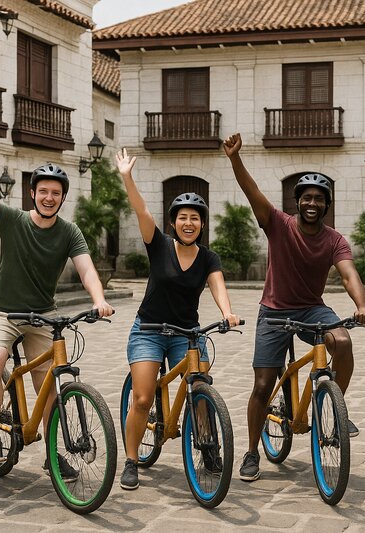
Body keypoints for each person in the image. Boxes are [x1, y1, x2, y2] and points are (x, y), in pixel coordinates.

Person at [0, 127, 114, 479]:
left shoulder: (69, 232)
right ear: (32, 193)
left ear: (62, 198)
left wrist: (99, 300)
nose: (49, 197)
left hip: (43, 315)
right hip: (2, 311)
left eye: (56, 193)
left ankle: (52, 453)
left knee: (48, 385)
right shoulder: (12, 220)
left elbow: (87, 270)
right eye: (43, 191)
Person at [223, 133, 365, 482]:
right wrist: (235, 160)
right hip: (274, 312)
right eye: (306, 197)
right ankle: (250, 452)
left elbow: (349, 274)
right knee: (263, 385)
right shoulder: (278, 223)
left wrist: (362, 305)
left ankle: (335, 407)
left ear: (326, 205)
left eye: (319, 199)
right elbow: (252, 192)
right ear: (297, 201)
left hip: (311, 309)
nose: (312, 203)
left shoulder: (334, 239)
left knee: (343, 343)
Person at [114, 148, 240, 490]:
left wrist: (227, 312)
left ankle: (208, 445)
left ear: (202, 224)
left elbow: (217, 286)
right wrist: (127, 177)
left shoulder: (208, 257)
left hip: (187, 333)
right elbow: (140, 209)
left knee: (200, 386)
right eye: (183, 217)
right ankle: (130, 460)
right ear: (173, 222)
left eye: (195, 218)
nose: (189, 223)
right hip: (149, 330)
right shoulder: (158, 244)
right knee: (141, 397)